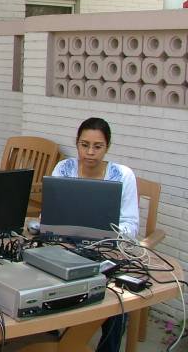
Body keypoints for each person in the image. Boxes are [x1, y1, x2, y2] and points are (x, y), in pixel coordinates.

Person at [52, 117, 139, 352]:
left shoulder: (123, 175)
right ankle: (51, 339)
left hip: (107, 249)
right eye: (84, 145)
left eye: (97, 146)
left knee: (118, 300)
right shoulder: (64, 169)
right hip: (65, 246)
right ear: (77, 143)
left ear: (107, 147)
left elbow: (131, 225)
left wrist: (105, 232)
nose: (90, 152)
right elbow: (53, 212)